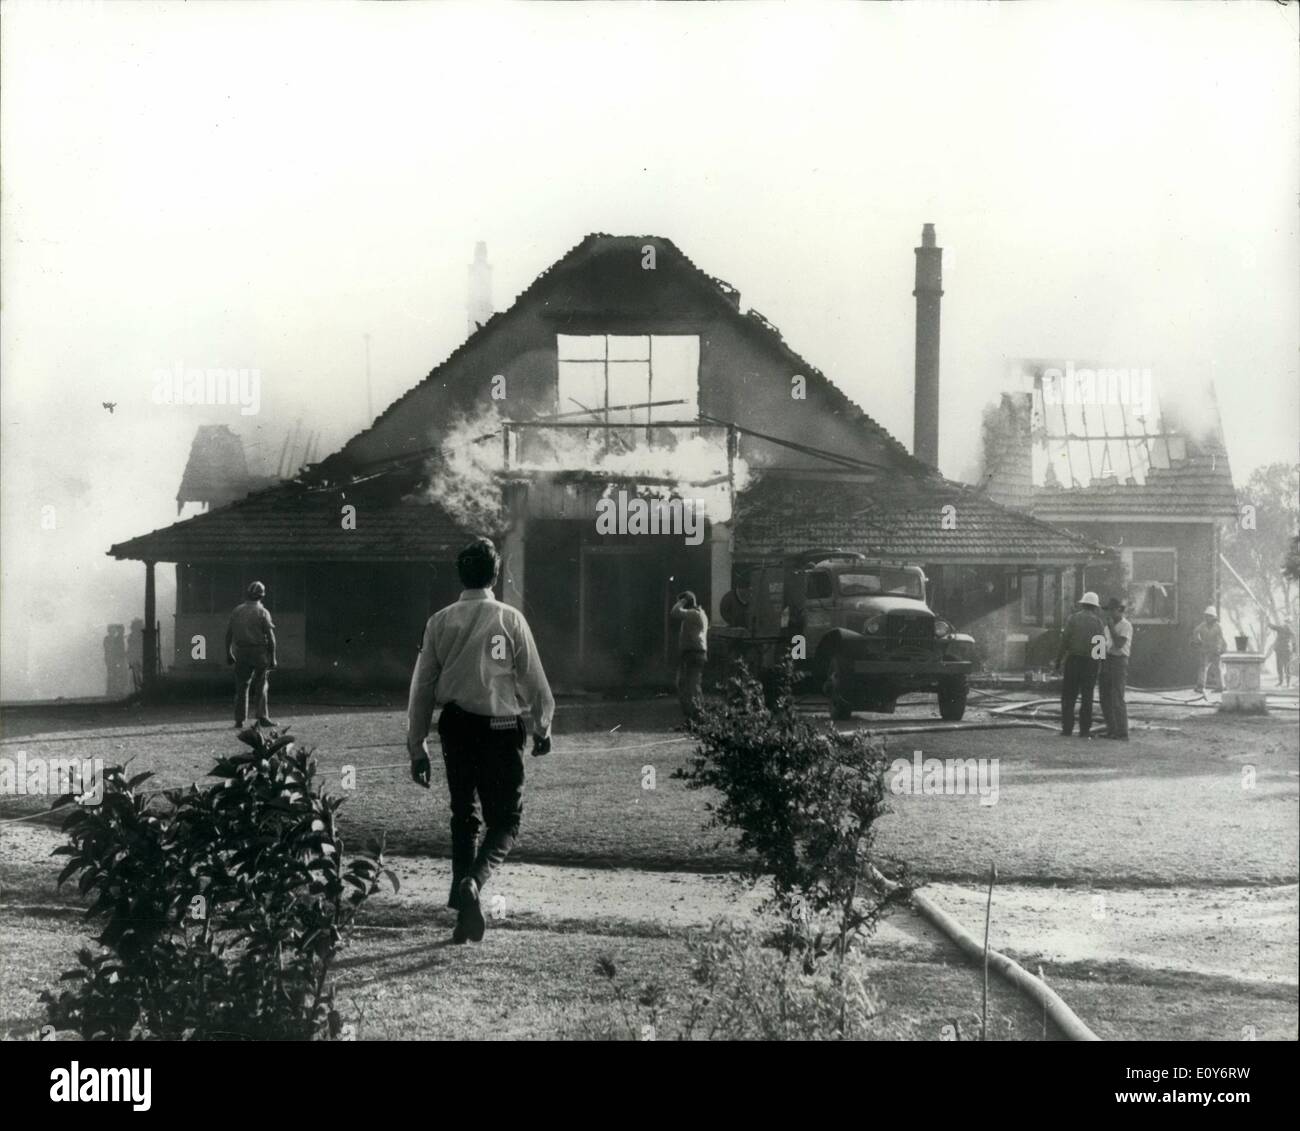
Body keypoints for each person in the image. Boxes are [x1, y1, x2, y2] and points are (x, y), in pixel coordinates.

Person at [407, 537, 554, 945]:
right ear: (496, 574)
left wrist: (417, 745)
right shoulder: (510, 619)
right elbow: (534, 680)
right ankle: (473, 881)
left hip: (456, 726)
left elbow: (422, 687)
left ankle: (464, 915)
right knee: (505, 820)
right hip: (502, 727)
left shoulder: (439, 621)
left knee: (464, 817)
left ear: (461, 574)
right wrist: (543, 726)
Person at [225, 581, 277, 729]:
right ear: (262, 596)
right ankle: (262, 717)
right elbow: (271, 637)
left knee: (241, 686)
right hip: (258, 651)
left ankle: (240, 719)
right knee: (261, 685)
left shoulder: (237, 611)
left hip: (241, 652)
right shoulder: (262, 612)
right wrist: (273, 657)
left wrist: (228, 652)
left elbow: (229, 634)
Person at [1055, 591, 1106, 739]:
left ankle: (1067, 729)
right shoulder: (1098, 622)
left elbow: (1064, 641)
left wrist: (1058, 660)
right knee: (1087, 697)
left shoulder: (1073, 619)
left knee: (1069, 697)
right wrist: (1100, 665)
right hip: (1090, 663)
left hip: (1074, 661)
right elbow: (1100, 646)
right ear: (1095, 607)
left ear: (1082, 604)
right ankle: (1084, 730)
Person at [670, 589, 709, 720]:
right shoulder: (700, 614)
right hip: (695, 653)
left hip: (692, 653)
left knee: (689, 686)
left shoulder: (693, 613)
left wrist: (683, 600)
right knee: (690, 685)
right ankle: (695, 714)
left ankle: (696, 715)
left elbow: (674, 611)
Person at [1099, 597, 1132, 741]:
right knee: (1104, 696)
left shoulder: (1126, 625)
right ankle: (1111, 730)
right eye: (1108, 610)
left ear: (1120, 610)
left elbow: (1119, 644)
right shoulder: (1106, 627)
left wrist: (1112, 627)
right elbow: (1101, 647)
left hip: (1119, 661)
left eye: (1113, 610)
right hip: (1107, 660)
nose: (1110, 613)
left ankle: (1122, 732)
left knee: (1117, 697)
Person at [1192, 606, 1226, 694]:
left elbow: (1223, 638)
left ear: (1214, 617)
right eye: (1206, 616)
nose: (1208, 618)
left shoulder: (1218, 626)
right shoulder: (1202, 625)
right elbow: (1195, 631)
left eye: (1210, 616)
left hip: (1215, 650)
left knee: (1218, 668)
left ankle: (1220, 687)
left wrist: (1224, 648)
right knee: (1203, 668)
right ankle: (1201, 687)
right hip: (1205, 650)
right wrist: (1198, 641)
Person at [1265, 622, 1293, 688]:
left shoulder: (1281, 628)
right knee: (1287, 667)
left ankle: (1282, 682)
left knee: (1280, 667)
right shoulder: (1291, 630)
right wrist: (1294, 650)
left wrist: (1267, 620)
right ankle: (1287, 683)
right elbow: (1294, 639)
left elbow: (1272, 626)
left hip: (1281, 651)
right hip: (1287, 651)